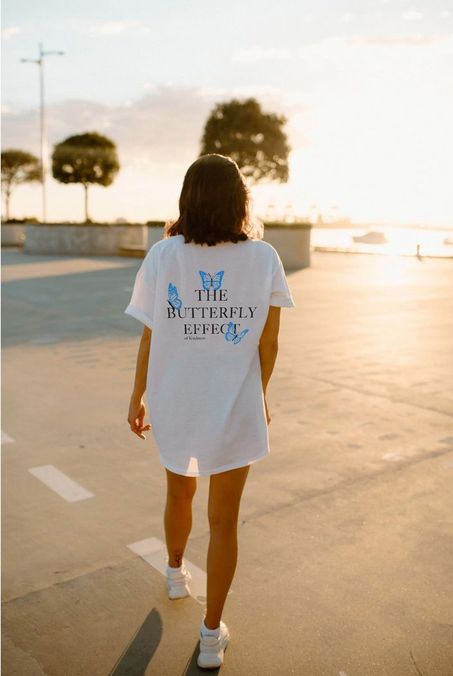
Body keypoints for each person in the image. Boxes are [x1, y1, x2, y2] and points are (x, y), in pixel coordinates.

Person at [124, 153, 295, 669]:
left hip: (175, 396)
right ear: (239, 198)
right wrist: (257, 396)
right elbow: (269, 346)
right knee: (225, 521)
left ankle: (176, 573)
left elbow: (151, 336)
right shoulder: (263, 257)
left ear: (188, 197)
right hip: (235, 404)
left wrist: (137, 396)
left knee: (179, 490)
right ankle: (210, 633)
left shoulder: (163, 255)